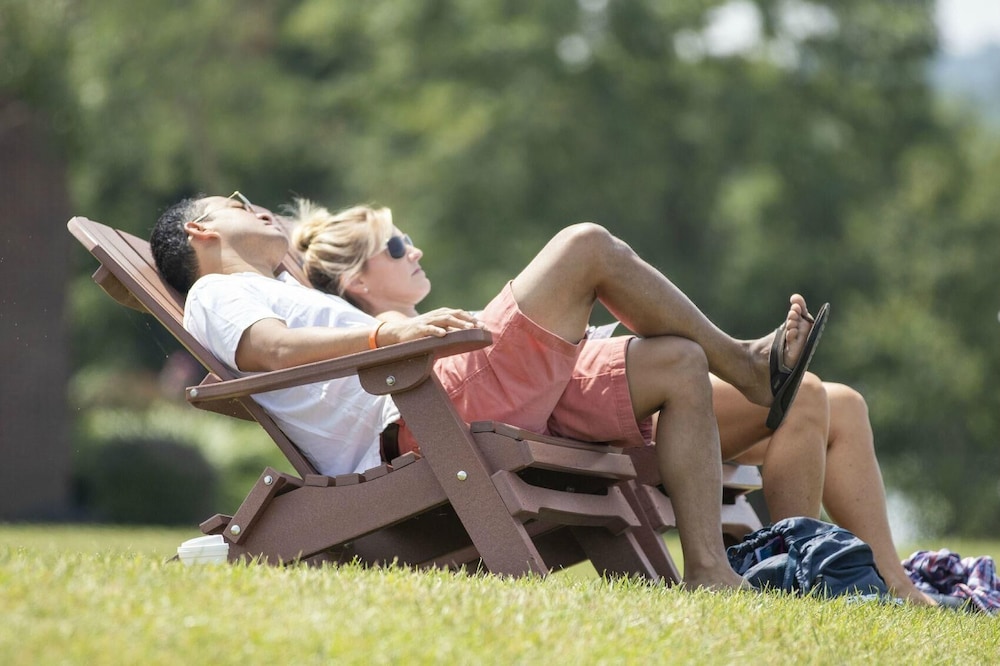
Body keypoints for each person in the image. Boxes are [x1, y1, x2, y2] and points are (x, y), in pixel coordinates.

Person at [151, 191, 826, 592]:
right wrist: (388, 332)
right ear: (200, 233)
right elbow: (268, 351)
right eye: (234, 207)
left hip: (434, 385)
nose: (255, 207)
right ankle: (746, 365)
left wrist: (392, 330)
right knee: (584, 245)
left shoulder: (275, 287)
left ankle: (708, 567)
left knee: (677, 362)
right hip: (421, 412)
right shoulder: (217, 291)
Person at [288, 199, 933, 606]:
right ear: (359, 282)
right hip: (450, 415)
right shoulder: (357, 341)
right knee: (587, 246)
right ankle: (746, 370)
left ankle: (848, 579)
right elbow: (304, 372)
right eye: (396, 246)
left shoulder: (425, 331)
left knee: (807, 394)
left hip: (521, 396)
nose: (415, 249)